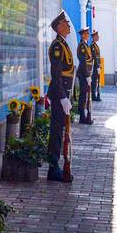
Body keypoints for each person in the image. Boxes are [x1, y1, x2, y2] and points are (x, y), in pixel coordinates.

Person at [46, 11, 74, 183]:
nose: (69, 25)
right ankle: (53, 167)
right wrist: (62, 97)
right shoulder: (57, 46)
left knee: (61, 130)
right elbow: (56, 75)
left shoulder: (63, 44)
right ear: (59, 27)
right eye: (66, 23)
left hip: (64, 93)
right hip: (58, 94)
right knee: (56, 131)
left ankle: (55, 165)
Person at [75, 26, 94, 124]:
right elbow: (83, 62)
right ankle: (82, 116)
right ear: (83, 35)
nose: (88, 35)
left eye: (88, 33)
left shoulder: (86, 45)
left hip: (86, 73)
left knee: (85, 95)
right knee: (83, 95)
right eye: (86, 34)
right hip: (83, 74)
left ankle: (84, 115)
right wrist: (87, 76)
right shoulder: (82, 46)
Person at [90, 30, 103, 101]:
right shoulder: (92, 46)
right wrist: (97, 67)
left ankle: (96, 95)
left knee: (97, 81)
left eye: (98, 36)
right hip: (94, 67)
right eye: (96, 36)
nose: (98, 37)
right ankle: (93, 95)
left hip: (97, 66)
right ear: (93, 37)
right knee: (94, 81)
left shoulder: (96, 45)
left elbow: (98, 57)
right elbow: (94, 57)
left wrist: (100, 65)